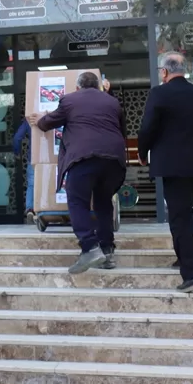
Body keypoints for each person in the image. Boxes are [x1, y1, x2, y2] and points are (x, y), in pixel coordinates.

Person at [138, 52, 193, 292]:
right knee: (183, 213)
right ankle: (182, 255)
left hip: (174, 168)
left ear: (164, 72)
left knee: (179, 217)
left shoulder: (159, 93)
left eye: (160, 72)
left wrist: (142, 152)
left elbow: (148, 128)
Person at [27, 72, 127, 274]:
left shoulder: (70, 100)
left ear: (78, 87)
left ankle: (89, 247)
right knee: (103, 202)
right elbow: (122, 130)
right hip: (114, 159)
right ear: (98, 85)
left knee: (77, 201)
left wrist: (39, 120)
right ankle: (107, 252)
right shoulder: (112, 102)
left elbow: (49, 123)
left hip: (83, 157)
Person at [13, 117, 35, 218]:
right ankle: (48, 208)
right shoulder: (53, 114)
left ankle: (30, 208)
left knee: (31, 184)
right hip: (51, 156)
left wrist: (17, 152)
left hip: (33, 157)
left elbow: (17, 137)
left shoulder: (29, 119)